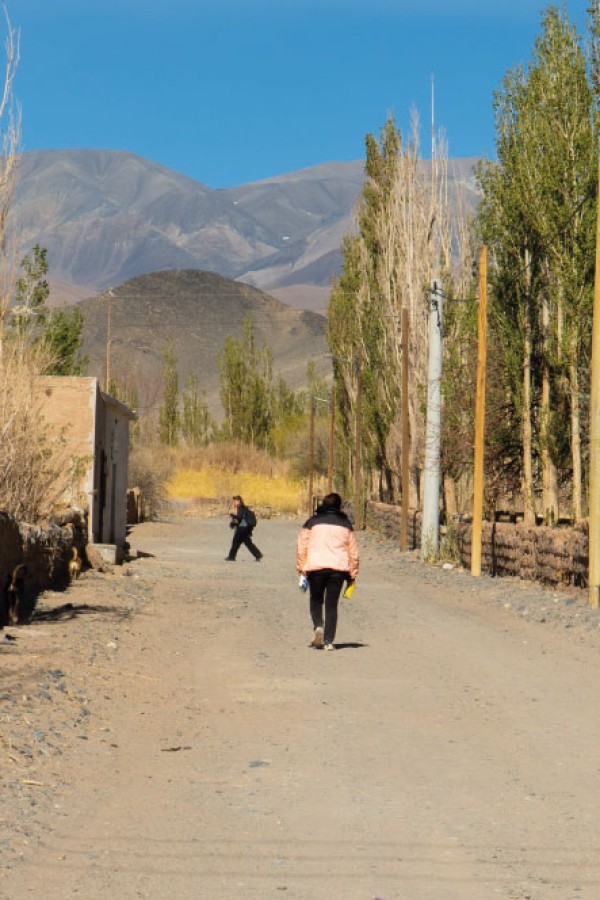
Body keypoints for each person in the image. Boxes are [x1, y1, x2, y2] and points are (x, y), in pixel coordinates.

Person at [296, 492, 359, 651]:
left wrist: (302, 567)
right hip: (338, 569)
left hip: (316, 567)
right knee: (332, 604)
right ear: (339, 506)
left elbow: (302, 546)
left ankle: (318, 625)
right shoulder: (346, 524)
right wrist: (352, 573)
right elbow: (353, 552)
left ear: (323, 504)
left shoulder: (312, 522)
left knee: (316, 599)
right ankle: (329, 641)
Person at [225, 495, 263, 562]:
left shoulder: (241, 508)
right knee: (247, 543)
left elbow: (238, 518)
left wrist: (232, 515)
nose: (234, 502)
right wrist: (233, 523)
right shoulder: (243, 508)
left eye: (235, 501)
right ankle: (258, 555)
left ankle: (231, 557)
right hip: (244, 529)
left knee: (235, 542)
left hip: (242, 529)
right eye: (233, 501)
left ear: (239, 501)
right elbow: (239, 519)